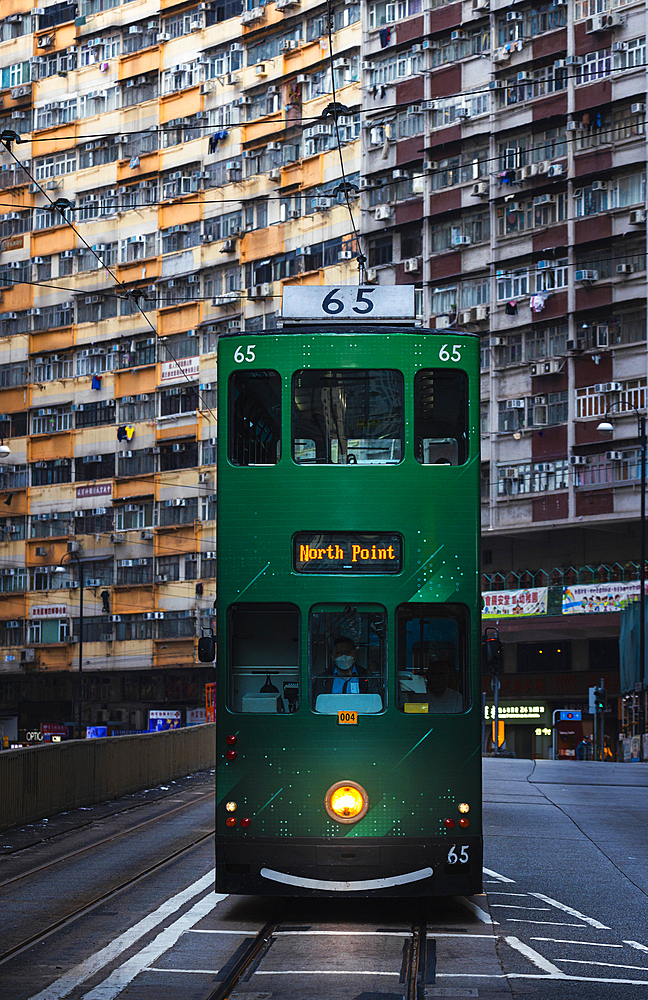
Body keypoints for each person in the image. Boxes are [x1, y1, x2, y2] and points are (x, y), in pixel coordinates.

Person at [400, 640, 463, 713]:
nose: (439, 680)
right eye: (436, 675)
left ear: (447, 678)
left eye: (442, 676)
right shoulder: (418, 697)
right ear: (428, 677)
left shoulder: (456, 697)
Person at [312, 636, 381, 699]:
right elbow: (319, 703)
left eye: (348, 652)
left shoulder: (368, 678)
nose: (344, 656)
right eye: (339, 653)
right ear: (332, 656)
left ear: (355, 654)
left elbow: (374, 702)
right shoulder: (323, 680)